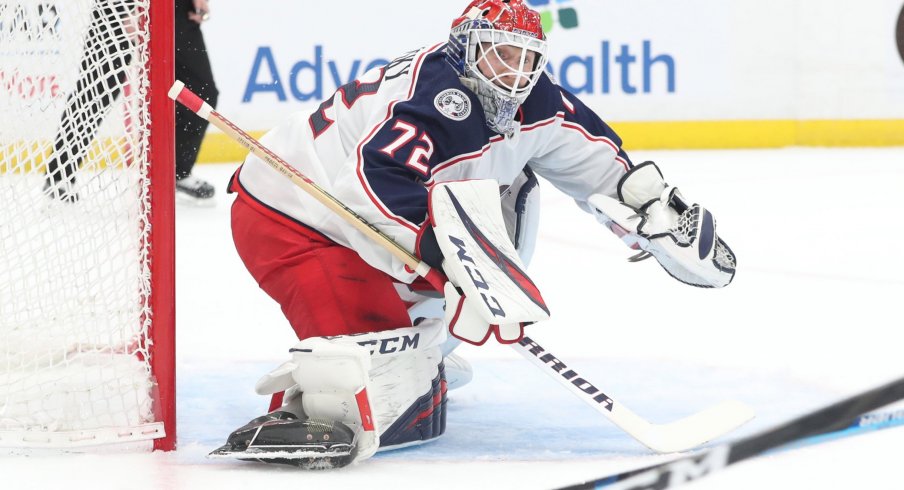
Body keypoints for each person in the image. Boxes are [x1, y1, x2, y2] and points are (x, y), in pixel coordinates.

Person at [216, 0, 736, 468]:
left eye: (526, 57)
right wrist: (453, 264)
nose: (515, 71)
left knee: (513, 191)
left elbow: (595, 157)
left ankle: (426, 347)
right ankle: (327, 399)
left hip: (386, 221)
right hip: (296, 218)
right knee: (379, 397)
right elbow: (374, 186)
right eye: (500, 54)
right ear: (465, 48)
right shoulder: (428, 97)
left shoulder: (539, 100)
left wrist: (649, 208)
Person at [44, 0, 218, 203]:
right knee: (98, 89)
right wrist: (130, 8)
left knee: (200, 92)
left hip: (172, 6)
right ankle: (60, 174)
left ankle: (178, 172)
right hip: (120, 5)